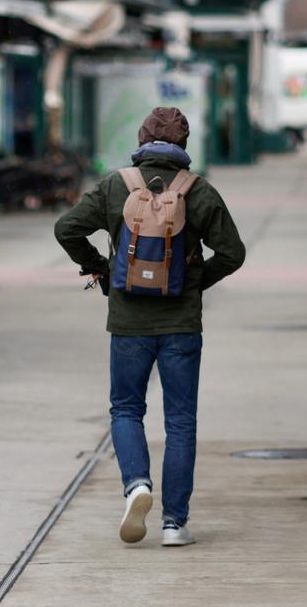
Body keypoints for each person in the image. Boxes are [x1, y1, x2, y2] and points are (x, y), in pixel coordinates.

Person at [54, 107, 245, 547]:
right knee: (179, 421)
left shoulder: (115, 186)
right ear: (183, 145)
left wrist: (100, 268)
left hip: (128, 322)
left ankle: (136, 484)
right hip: (181, 325)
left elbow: (67, 229)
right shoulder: (198, 192)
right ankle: (174, 524)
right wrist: (193, 284)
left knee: (126, 409)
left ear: (142, 141)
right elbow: (233, 253)